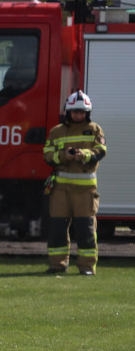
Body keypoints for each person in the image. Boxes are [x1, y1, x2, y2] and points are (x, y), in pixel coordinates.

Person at [42, 90, 107, 275]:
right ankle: (57, 265)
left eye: (82, 111)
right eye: (75, 111)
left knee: (86, 230)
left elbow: (101, 151)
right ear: (68, 111)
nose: (78, 115)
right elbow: (47, 155)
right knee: (57, 229)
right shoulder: (57, 131)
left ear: (87, 112)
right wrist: (64, 156)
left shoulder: (95, 129)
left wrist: (83, 155)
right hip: (60, 190)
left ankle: (87, 267)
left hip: (85, 192)